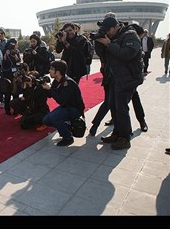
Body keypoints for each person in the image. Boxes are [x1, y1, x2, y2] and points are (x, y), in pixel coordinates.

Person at [95, 17, 143, 150]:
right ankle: (117, 133)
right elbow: (102, 55)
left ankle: (125, 138)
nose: (108, 32)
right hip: (114, 78)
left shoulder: (130, 35)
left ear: (116, 26)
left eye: (109, 29)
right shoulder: (112, 37)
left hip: (128, 78)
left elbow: (127, 54)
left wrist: (109, 44)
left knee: (121, 108)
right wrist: (99, 42)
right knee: (113, 106)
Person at [41, 60, 85, 146]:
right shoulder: (57, 81)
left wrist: (49, 89)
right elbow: (50, 95)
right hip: (66, 107)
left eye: (51, 69)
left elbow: (61, 100)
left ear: (57, 72)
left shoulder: (68, 83)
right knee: (46, 120)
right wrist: (43, 87)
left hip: (75, 109)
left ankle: (68, 138)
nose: (49, 71)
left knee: (53, 118)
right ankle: (66, 126)